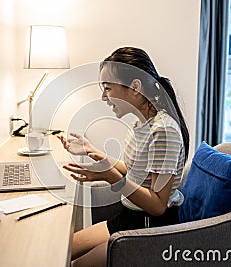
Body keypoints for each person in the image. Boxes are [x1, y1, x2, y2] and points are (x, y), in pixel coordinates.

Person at [57, 47, 190, 267]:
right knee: (62, 249)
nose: (103, 97)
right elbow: (136, 171)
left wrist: (113, 180)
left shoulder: (164, 132)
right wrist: (93, 152)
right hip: (128, 218)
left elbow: (157, 205)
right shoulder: (142, 123)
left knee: (73, 265)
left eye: (107, 88)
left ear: (135, 88)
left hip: (150, 228)